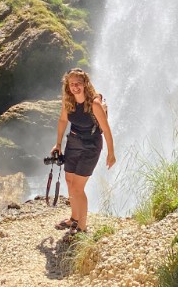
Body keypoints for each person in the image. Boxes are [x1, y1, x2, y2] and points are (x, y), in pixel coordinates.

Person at [50, 68, 115, 236]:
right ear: (68, 85)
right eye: (71, 84)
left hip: (91, 146)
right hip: (73, 143)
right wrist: (58, 144)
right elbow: (63, 120)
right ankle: (74, 218)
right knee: (70, 181)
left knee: (78, 188)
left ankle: (82, 228)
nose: (75, 87)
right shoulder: (68, 101)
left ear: (85, 84)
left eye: (78, 83)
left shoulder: (94, 104)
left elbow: (106, 130)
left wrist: (111, 153)